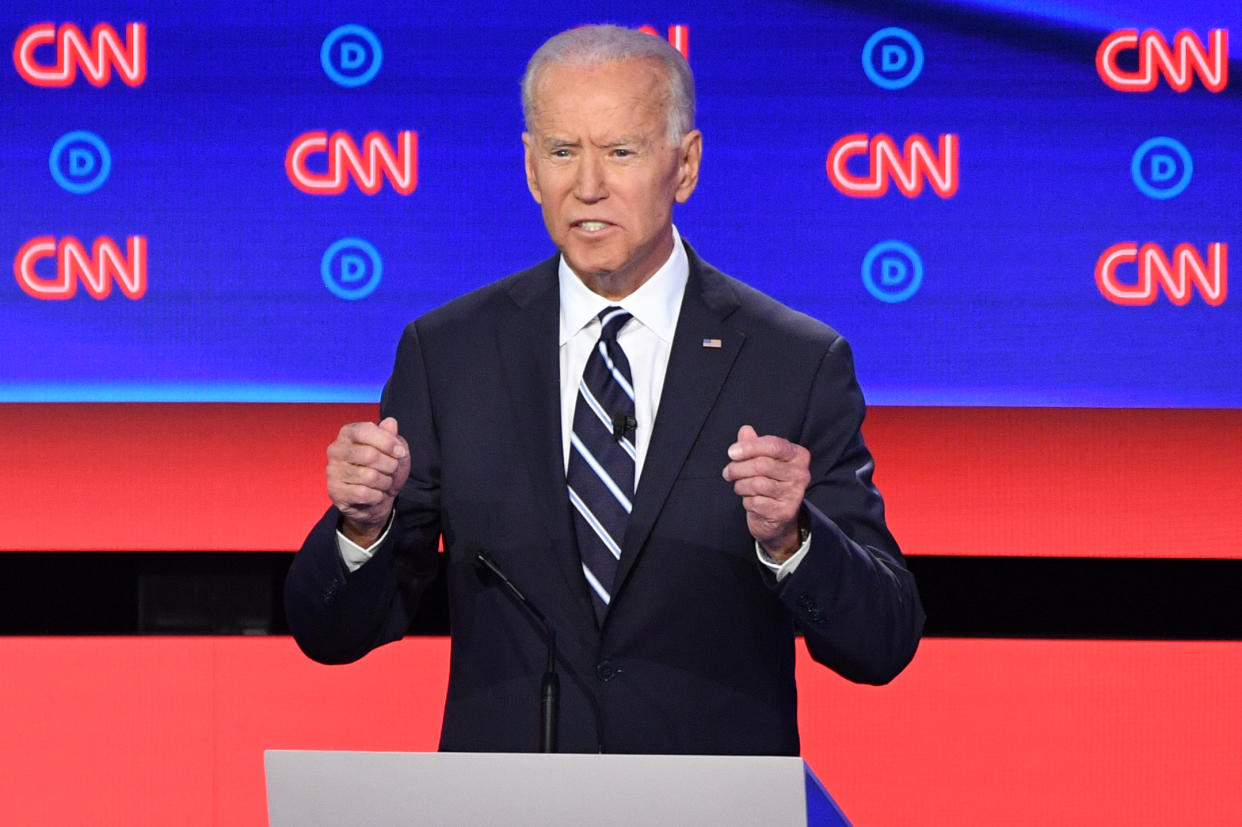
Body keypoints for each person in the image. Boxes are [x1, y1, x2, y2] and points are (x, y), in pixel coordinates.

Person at [286, 24, 923, 755]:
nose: (588, 186)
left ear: (684, 166)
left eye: (621, 151)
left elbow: (884, 640)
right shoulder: (448, 353)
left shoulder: (792, 361)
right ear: (530, 168)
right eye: (563, 152)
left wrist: (794, 538)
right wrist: (361, 528)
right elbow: (331, 634)